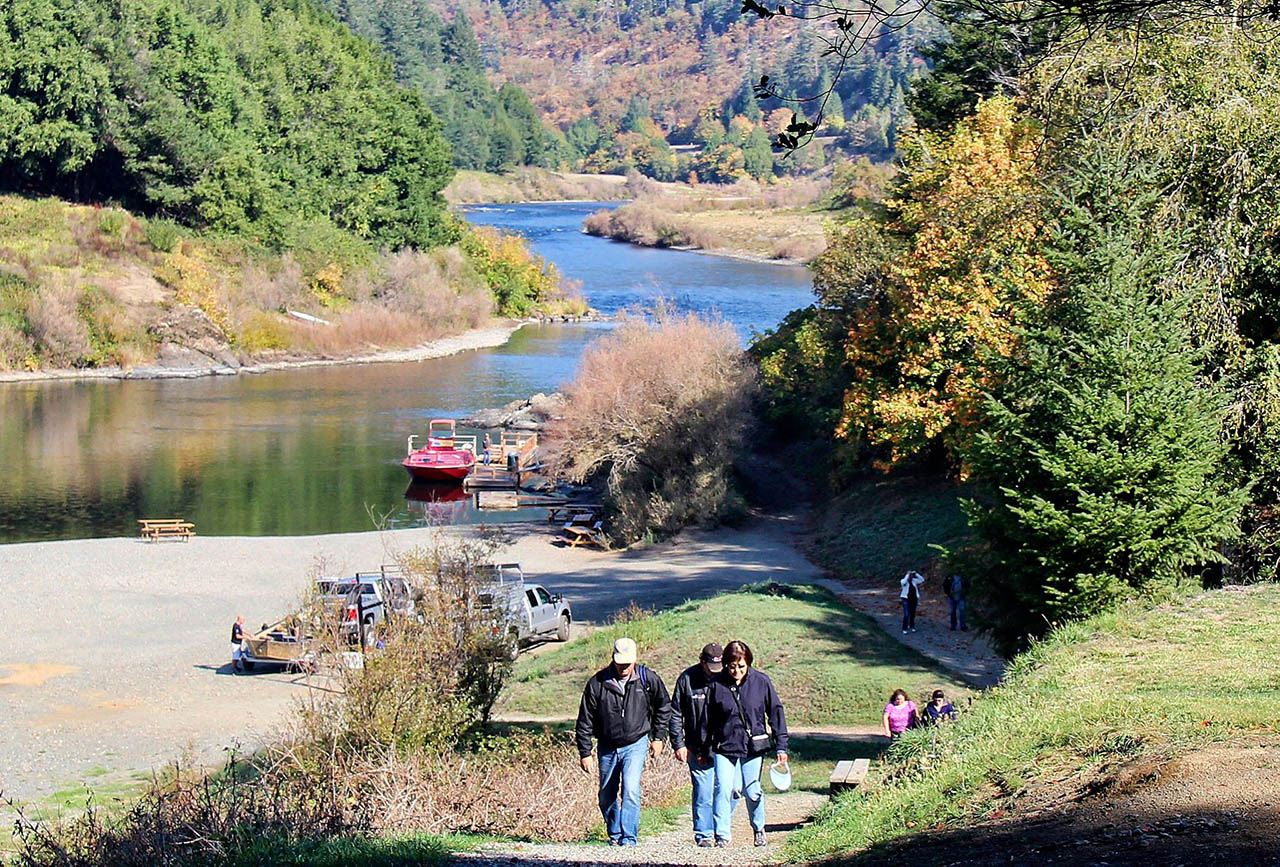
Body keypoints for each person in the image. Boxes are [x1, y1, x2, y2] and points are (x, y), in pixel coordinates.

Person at [575, 637, 672, 847]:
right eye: (620, 663)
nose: (624, 668)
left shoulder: (648, 679)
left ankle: (629, 838)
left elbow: (664, 707)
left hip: (636, 743)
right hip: (607, 746)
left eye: (628, 663)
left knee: (630, 789)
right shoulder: (597, 683)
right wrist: (585, 752)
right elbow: (585, 720)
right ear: (613, 659)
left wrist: (658, 738)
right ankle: (615, 833)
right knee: (606, 796)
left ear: (635, 660)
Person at [706, 640, 788, 848]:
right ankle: (722, 836)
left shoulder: (762, 682)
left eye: (741, 666)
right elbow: (707, 720)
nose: (736, 671)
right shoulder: (716, 685)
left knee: (752, 791)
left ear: (749, 663)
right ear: (726, 664)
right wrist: (704, 747)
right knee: (725, 788)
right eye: (732, 666)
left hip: (753, 747)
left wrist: (781, 746)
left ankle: (759, 829)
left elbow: (776, 713)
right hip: (725, 747)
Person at [669, 643, 723, 848]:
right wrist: (678, 743)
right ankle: (704, 834)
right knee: (702, 791)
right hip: (697, 746)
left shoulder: (727, 678)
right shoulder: (687, 679)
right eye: (711, 668)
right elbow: (675, 713)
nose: (714, 673)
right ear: (702, 662)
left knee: (730, 790)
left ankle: (722, 829)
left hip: (725, 746)